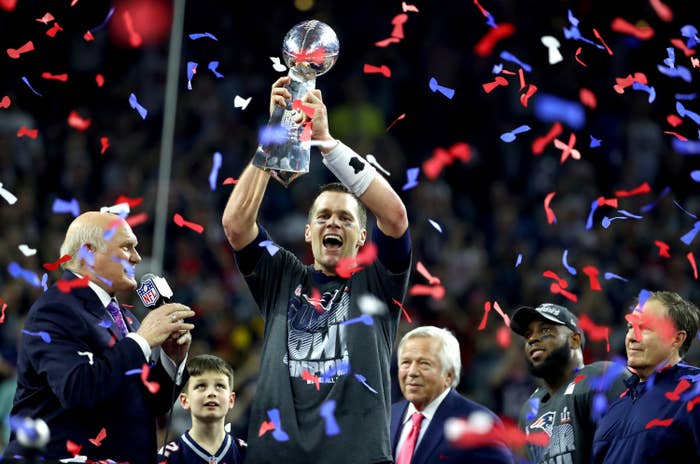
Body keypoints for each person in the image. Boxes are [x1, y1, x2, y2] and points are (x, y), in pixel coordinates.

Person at [222, 76, 411, 463]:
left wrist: (326, 142)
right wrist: (273, 137)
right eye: (323, 217)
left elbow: (394, 215)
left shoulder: (375, 281)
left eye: (345, 218)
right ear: (308, 232)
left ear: (362, 237)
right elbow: (236, 225)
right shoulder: (283, 275)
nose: (333, 224)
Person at [4, 211, 195, 463]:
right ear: (89, 252)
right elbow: (77, 388)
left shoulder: (124, 319)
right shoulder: (57, 309)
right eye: (127, 247)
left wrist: (171, 361)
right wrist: (142, 341)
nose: (137, 258)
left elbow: (145, 401)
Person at [510, 302, 631, 464]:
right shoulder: (530, 409)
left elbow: (630, 449)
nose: (532, 339)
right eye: (527, 335)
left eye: (545, 330)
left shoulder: (603, 378)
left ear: (574, 340)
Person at [592, 291, 700, 463]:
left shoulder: (695, 390)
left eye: (645, 328)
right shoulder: (614, 407)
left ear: (676, 339)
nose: (632, 338)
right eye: (630, 327)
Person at [390, 326, 513, 463]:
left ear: (449, 375)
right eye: (406, 363)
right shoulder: (388, 417)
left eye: (424, 364)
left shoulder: (478, 424)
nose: (412, 372)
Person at [158, 354, 246, 463]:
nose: (211, 393)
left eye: (220, 386)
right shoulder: (168, 456)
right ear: (185, 401)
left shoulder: (247, 453)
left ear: (231, 400)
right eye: (201, 386)